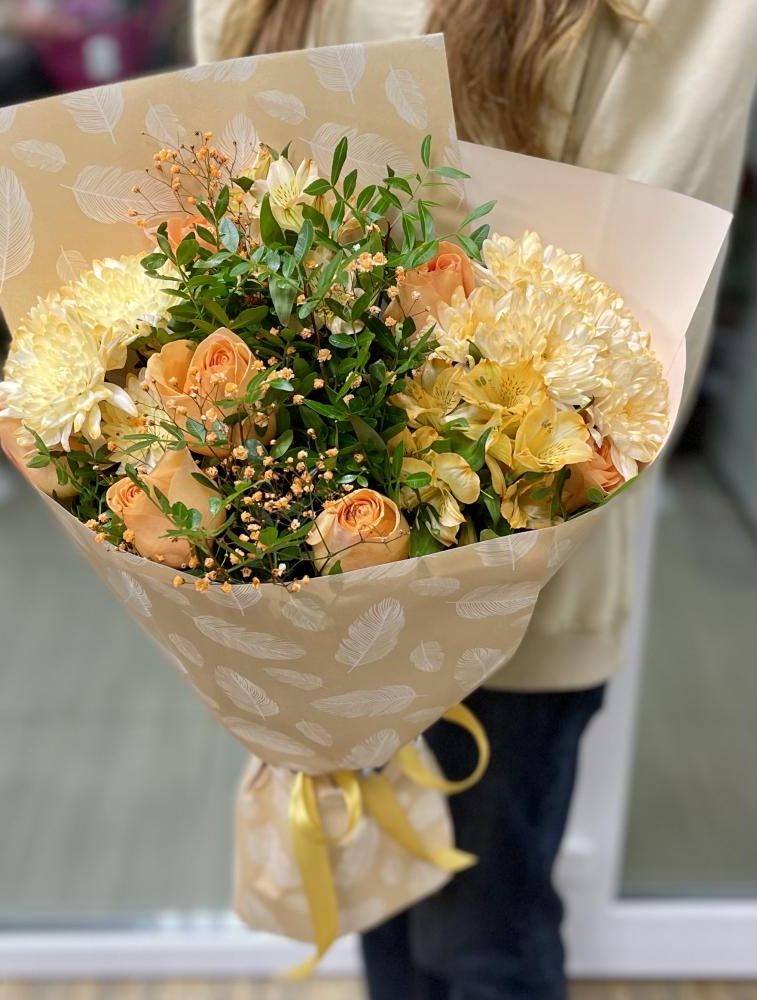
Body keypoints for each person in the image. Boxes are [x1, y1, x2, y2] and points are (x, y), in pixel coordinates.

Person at [192, 3, 757, 998]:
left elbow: (623, 297)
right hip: (319, 570)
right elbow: (217, 188)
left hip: (520, 583)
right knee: (384, 911)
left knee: (484, 938)